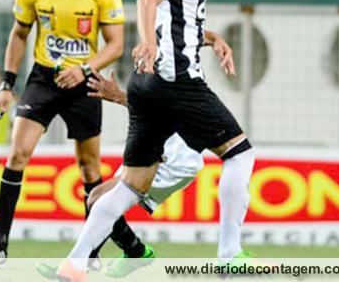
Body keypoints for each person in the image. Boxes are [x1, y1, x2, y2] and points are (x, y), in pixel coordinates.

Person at [56, 0, 255, 280]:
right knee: (239, 155)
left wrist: (212, 39)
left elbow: (176, 22)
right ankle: (229, 255)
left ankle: (74, 264)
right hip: (178, 82)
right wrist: (147, 41)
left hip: (148, 84)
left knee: (130, 185)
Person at [38, 29, 243, 279]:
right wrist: (217, 40)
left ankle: (81, 264)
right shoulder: (163, 41)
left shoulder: (175, 65)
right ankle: (128, 253)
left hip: (177, 156)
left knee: (102, 200)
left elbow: (164, 107)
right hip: (161, 143)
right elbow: (199, 36)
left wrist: (118, 96)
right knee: (96, 197)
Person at [0, 0, 125, 267]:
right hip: (44, 79)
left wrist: (84, 69)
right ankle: (0, 245)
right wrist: (7, 84)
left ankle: (91, 253)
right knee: (18, 153)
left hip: (84, 83)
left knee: (90, 169)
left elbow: (116, 45)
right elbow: (19, 34)